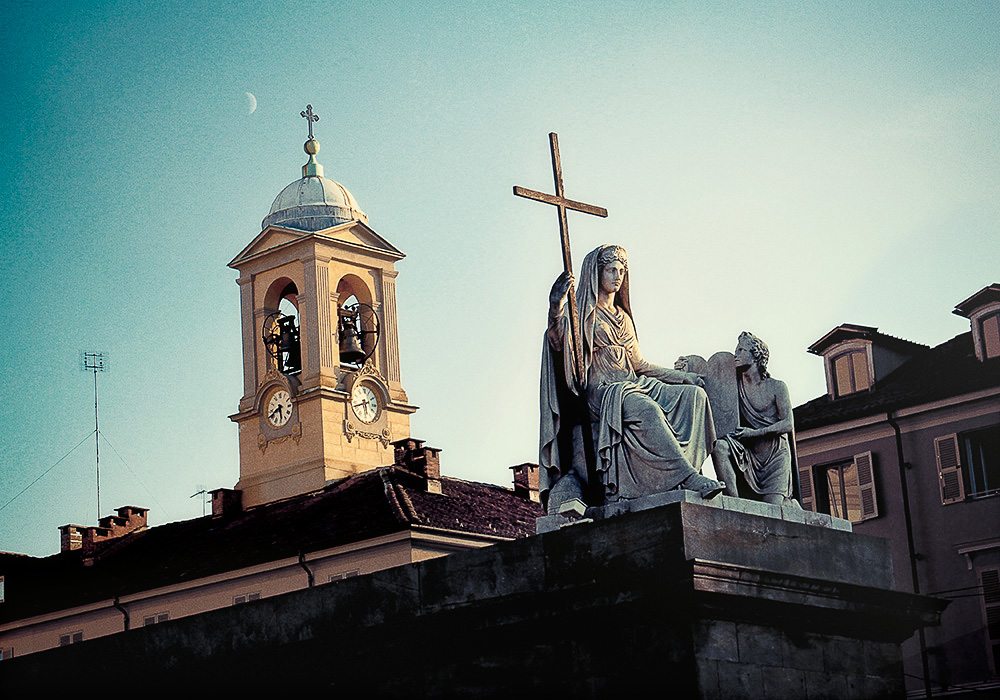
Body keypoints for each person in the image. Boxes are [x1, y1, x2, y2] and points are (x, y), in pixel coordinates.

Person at [540, 244, 726, 507]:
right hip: (601, 391)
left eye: (621, 271)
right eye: (611, 270)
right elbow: (558, 344)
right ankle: (686, 478)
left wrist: (681, 377)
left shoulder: (623, 318)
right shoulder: (579, 313)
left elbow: (639, 364)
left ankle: (685, 470)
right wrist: (555, 307)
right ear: (597, 274)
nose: (618, 277)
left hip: (632, 382)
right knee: (646, 409)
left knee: (693, 397)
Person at [715, 332, 798, 506]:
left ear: (755, 356)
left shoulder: (777, 386)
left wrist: (755, 433)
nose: (735, 355)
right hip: (748, 453)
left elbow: (788, 423)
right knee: (720, 447)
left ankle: (790, 504)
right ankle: (733, 505)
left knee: (773, 511)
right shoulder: (733, 386)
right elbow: (706, 382)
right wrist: (686, 369)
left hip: (775, 455)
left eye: (741, 350)